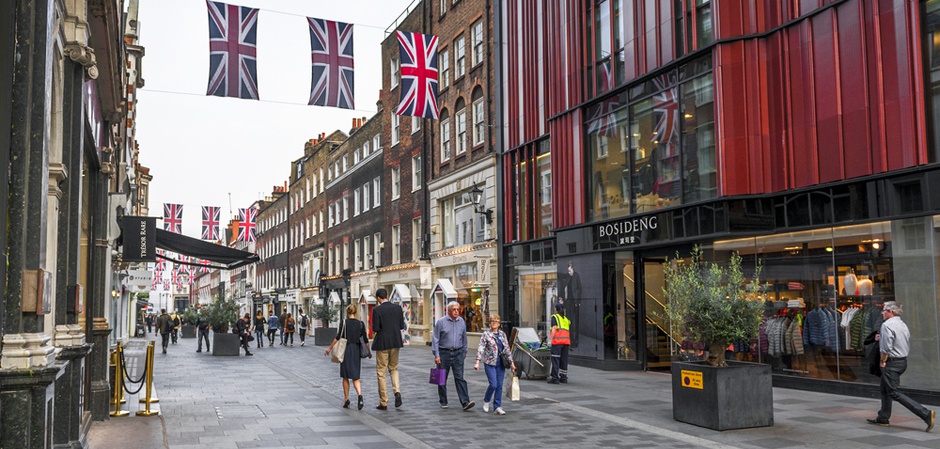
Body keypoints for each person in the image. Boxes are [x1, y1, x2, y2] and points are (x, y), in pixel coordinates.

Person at [867, 302, 934, 431]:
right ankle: (883, 417)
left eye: (884, 310)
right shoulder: (902, 324)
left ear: (891, 312)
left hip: (891, 362)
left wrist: (882, 361)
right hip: (902, 361)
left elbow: (886, 347)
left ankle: (925, 414)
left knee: (893, 391)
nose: (882, 312)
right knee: (885, 388)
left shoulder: (887, 325)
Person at [324, 304, 370, 410]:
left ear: (347, 312)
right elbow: (365, 340)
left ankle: (347, 399)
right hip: (356, 351)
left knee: (345, 376)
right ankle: (360, 395)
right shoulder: (360, 324)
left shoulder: (344, 322)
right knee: (355, 376)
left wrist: (329, 348)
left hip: (346, 350)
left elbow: (337, 337)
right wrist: (369, 351)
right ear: (355, 312)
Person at [432, 301, 475, 411]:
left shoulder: (461, 321)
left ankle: (465, 402)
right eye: (454, 309)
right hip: (443, 353)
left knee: (459, 377)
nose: (456, 311)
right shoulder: (441, 322)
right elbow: (435, 339)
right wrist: (436, 355)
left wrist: (464, 351)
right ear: (449, 310)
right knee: (441, 378)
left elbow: (464, 337)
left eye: (458, 309)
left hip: (458, 353)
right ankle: (443, 401)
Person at [474, 315, 516, 415]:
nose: (494, 323)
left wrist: (512, 363)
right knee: (493, 384)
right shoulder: (486, 334)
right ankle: (486, 400)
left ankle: (497, 406)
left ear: (499, 323)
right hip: (489, 362)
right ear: (490, 323)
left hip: (501, 363)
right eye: (492, 321)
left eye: (496, 321)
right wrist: (477, 361)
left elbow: (507, 349)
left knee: (499, 386)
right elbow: (481, 347)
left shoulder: (502, 334)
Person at [371, 288, 405, 410]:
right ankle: (397, 391)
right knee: (394, 368)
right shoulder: (397, 308)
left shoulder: (377, 310)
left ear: (379, 298)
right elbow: (402, 325)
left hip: (382, 343)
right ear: (387, 296)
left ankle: (384, 401)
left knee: (381, 372)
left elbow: (375, 328)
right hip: (395, 342)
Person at [548, 302, 571, 384]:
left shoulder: (555, 317)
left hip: (557, 342)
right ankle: (563, 377)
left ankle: (555, 378)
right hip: (566, 342)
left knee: (555, 360)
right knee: (564, 360)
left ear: (556, 309)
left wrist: (551, 339)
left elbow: (554, 328)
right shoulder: (566, 319)